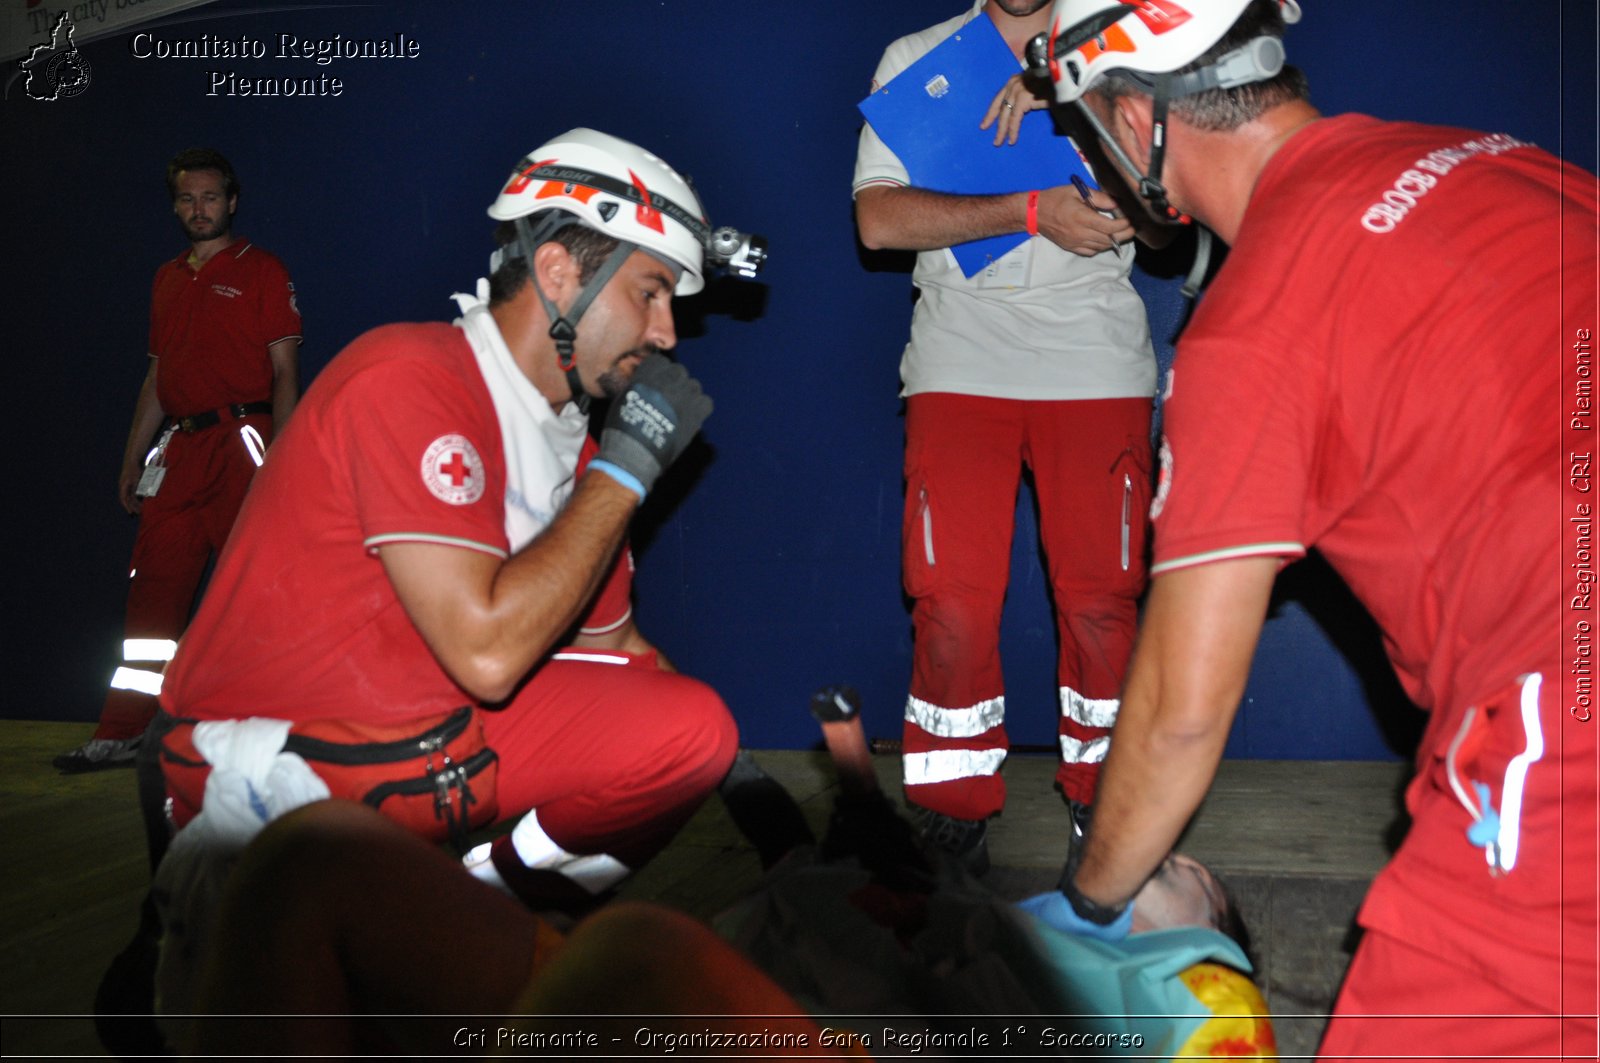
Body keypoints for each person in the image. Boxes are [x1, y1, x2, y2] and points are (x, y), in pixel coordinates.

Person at [1022, 1, 1598, 1057]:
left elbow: (1179, 714)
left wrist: (1088, 904)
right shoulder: (1505, 161)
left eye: (1091, 131)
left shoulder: (1253, 317)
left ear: (1140, 123)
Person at [150, 128, 742, 915]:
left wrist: (736, 777)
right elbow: (489, 655)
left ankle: (481, 912)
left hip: (417, 735)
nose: (667, 333)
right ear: (559, 272)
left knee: (692, 728)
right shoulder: (411, 378)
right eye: (650, 292)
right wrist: (626, 473)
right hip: (276, 760)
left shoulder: (575, 440)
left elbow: (618, 651)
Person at [853, 0, 1166, 874]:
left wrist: (1081, 107)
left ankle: (1106, 813)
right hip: (962, 357)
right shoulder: (919, 57)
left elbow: (1172, 214)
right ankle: (953, 813)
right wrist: (1030, 210)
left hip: (1096, 363)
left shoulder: (1123, 48)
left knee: (1104, 603)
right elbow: (878, 221)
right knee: (950, 601)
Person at [55, 148, 301, 773]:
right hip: (181, 450)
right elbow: (158, 377)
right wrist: (132, 458)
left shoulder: (262, 270)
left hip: (245, 439)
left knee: (261, 589)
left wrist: (286, 460)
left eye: (210, 197)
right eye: (187, 199)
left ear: (232, 201)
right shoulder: (168, 277)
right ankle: (124, 731)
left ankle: (290, 730)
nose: (199, 209)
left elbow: (284, 373)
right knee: (151, 601)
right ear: (175, 206)